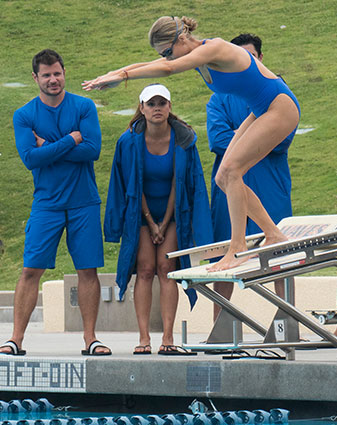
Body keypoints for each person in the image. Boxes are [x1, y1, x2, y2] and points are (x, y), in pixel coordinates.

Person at [83, 15, 299, 271]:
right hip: (261, 108)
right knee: (223, 178)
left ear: (182, 38)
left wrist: (124, 75)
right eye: (164, 54)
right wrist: (115, 74)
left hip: (279, 106)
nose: (168, 58)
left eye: (168, 51)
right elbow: (156, 63)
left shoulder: (214, 48)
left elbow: (168, 69)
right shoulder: (195, 55)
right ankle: (273, 234)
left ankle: (237, 246)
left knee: (232, 171)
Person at [1, 49, 110, 356]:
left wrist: (46, 146)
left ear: (65, 73)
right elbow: (30, 159)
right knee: (30, 270)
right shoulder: (24, 115)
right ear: (35, 77)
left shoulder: (83, 106)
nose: (53, 79)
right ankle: (15, 340)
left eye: (57, 73)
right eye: (46, 75)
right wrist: (70, 140)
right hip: (46, 204)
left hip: (83, 202)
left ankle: (91, 340)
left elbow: (92, 151)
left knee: (87, 271)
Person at [104, 83, 213, 355]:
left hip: (173, 213)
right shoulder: (128, 141)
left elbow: (183, 183)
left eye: (161, 103)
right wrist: (150, 223)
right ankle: (143, 338)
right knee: (144, 269)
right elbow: (130, 184)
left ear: (169, 106)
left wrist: (163, 224)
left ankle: (168, 337)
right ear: (141, 108)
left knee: (166, 268)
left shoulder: (184, 139)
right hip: (140, 214)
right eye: (151, 104)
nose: (156, 108)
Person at [206, 33, 293, 320]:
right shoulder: (219, 99)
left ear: (260, 59)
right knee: (226, 254)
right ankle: (221, 328)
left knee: (280, 257)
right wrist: (258, 136)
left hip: (270, 185)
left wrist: (243, 138)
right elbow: (217, 139)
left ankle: (287, 325)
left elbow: (282, 138)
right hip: (230, 188)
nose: (244, 63)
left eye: (251, 57)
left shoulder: (274, 92)